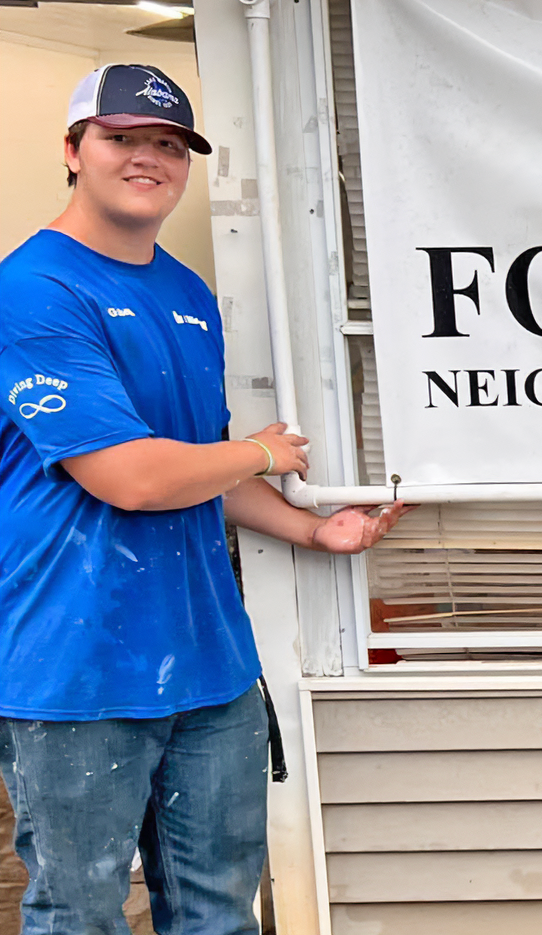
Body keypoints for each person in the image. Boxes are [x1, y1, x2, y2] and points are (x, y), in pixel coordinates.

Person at [0, 64, 407, 935]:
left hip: (210, 664)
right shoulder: (33, 290)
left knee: (219, 909)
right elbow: (133, 478)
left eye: (168, 144)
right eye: (121, 138)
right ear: (72, 151)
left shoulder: (186, 292)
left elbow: (205, 473)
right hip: (77, 666)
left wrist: (308, 525)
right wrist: (262, 447)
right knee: (81, 911)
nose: (148, 158)